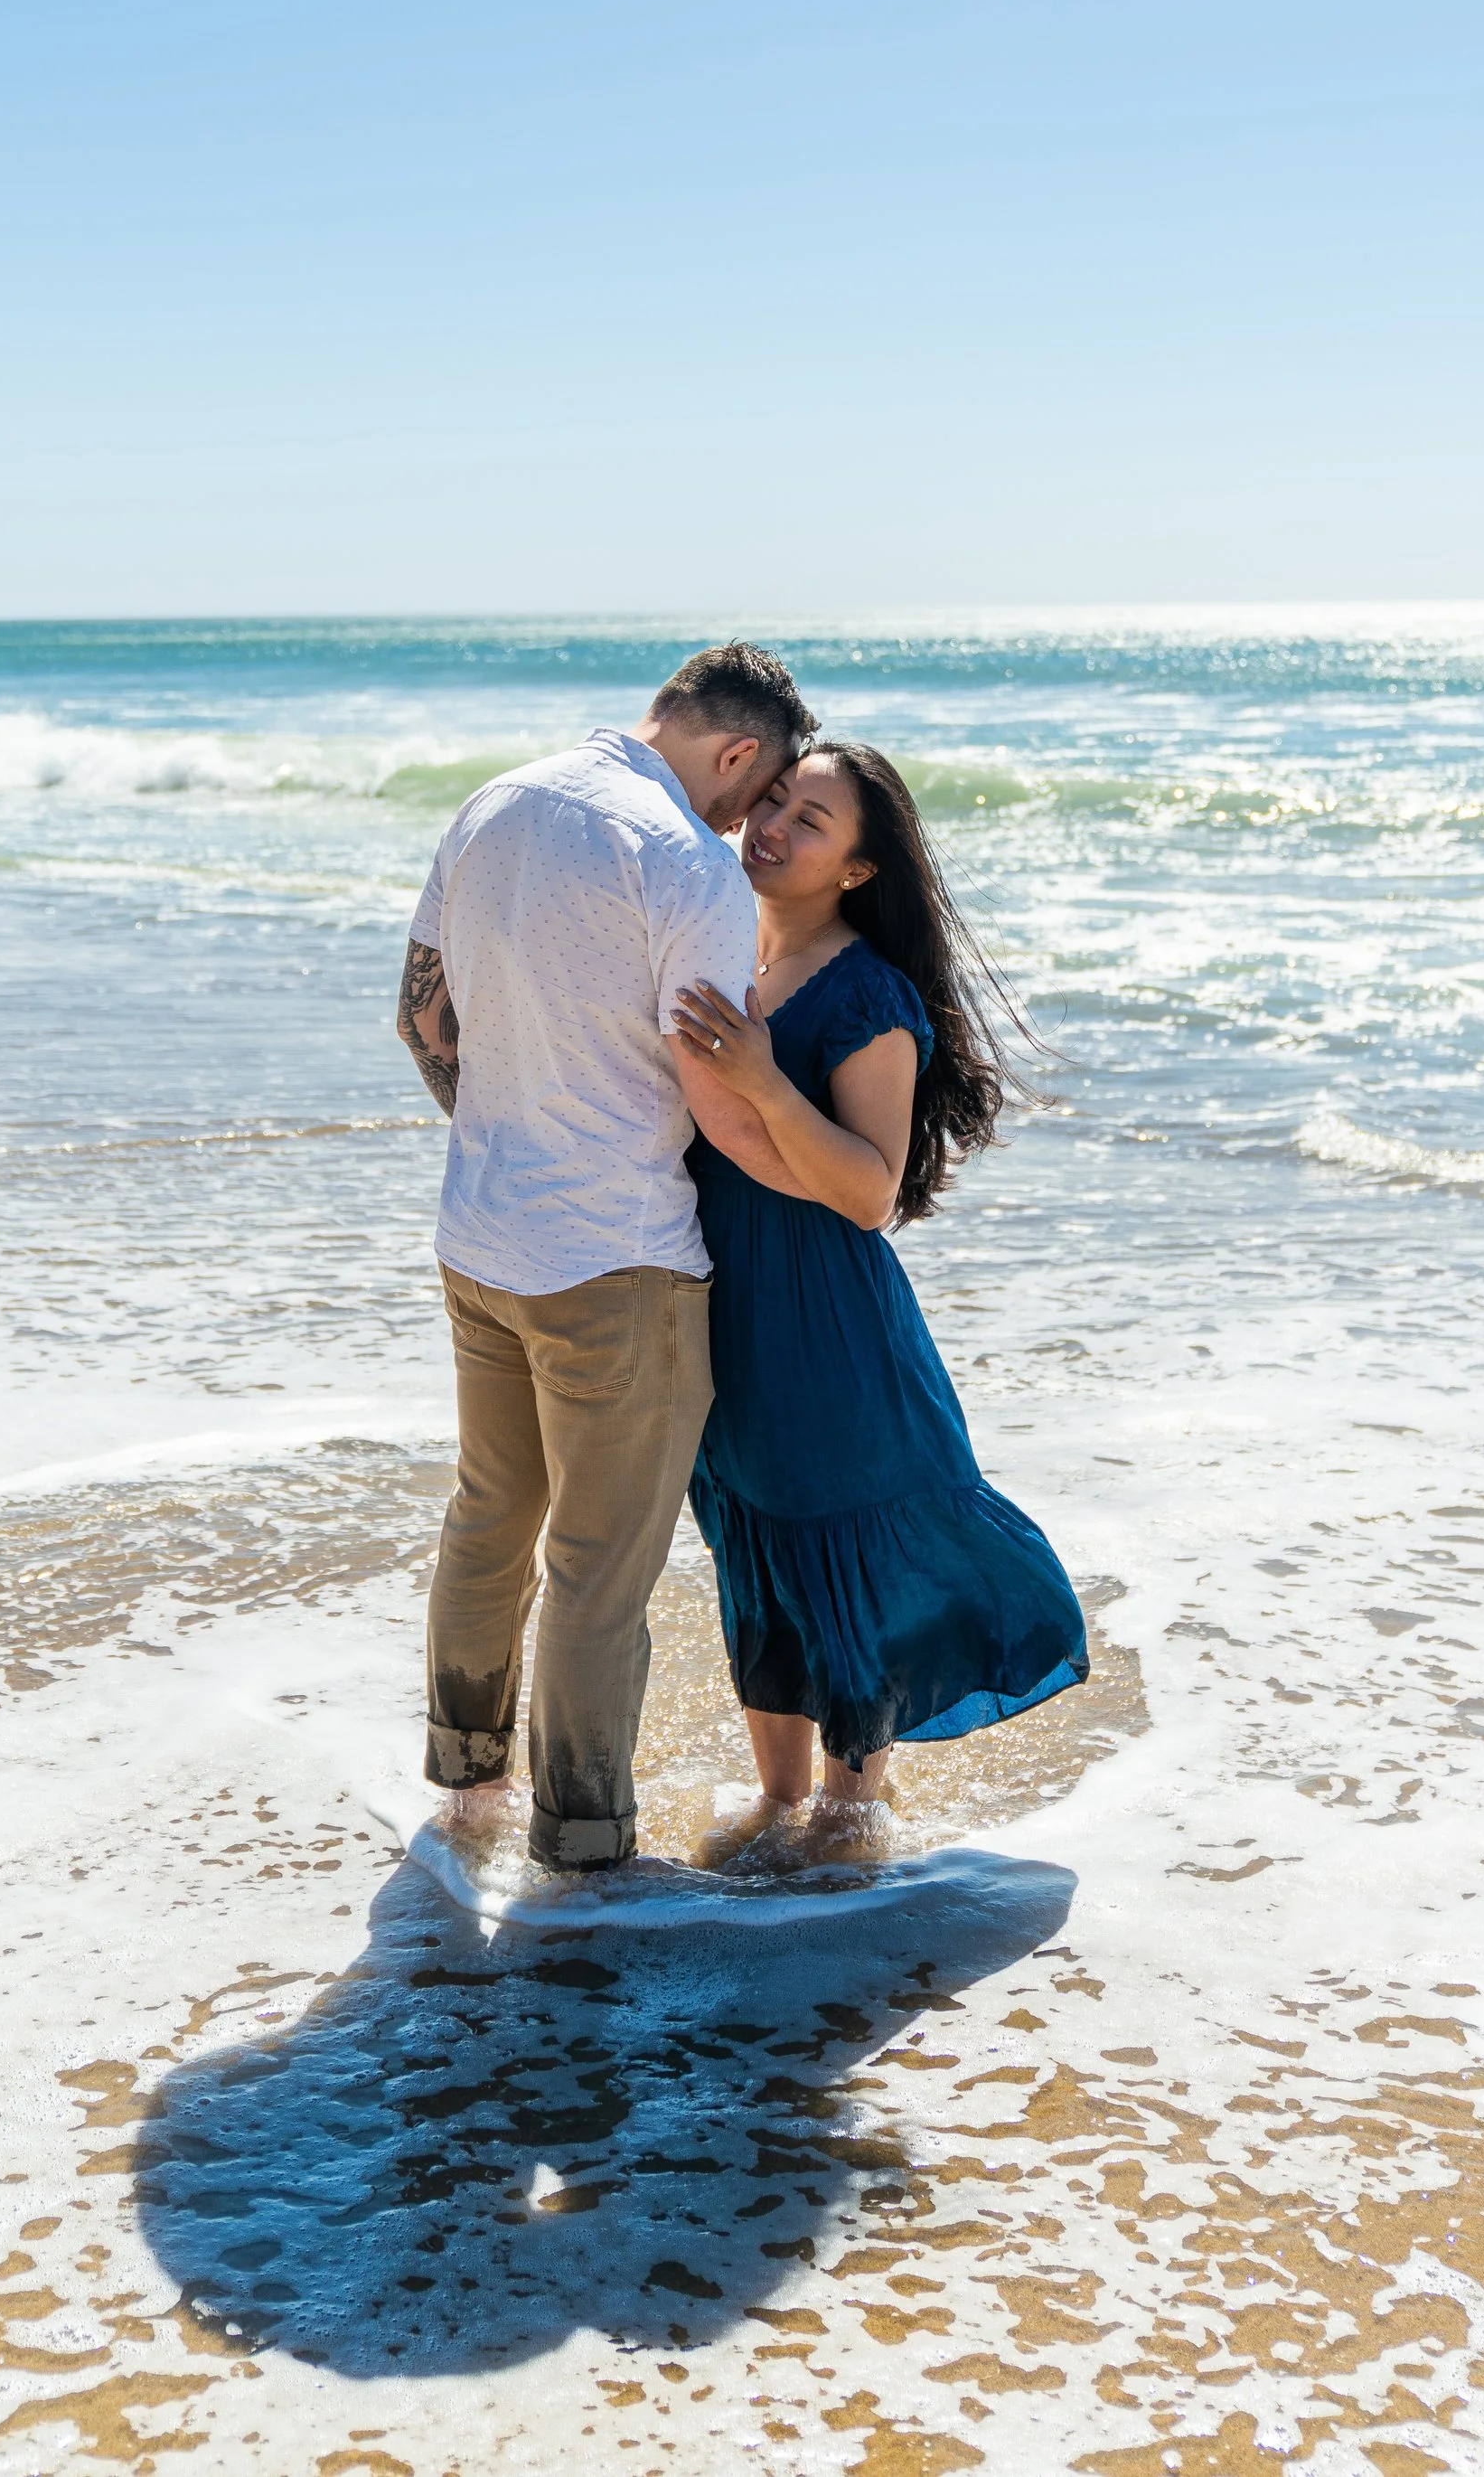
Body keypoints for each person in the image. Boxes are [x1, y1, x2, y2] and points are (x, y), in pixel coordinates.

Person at [396, 642, 816, 1870]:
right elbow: (722, 1095)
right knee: (596, 1566)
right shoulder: (689, 864)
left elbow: (421, 1011)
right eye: (760, 791)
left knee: (489, 1515)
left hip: (479, 1237)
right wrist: (838, 1194)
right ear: (737, 751)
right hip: (619, 1257)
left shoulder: (494, 803)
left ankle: (466, 1789)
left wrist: (504, 1133)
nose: (752, 825)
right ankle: (582, 1845)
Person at [670, 739, 1087, 1860]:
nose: (771, 827)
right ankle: (776, 1798)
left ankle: (856, 1810)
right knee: (749, 1533)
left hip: (822, 1311)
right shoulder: (721, 947)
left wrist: (762, 1077)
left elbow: (867, 1189)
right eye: (770, 802)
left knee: (838, 1533)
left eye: (809, 821)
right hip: (715, 1294)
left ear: (857, 869)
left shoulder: (870, 992)